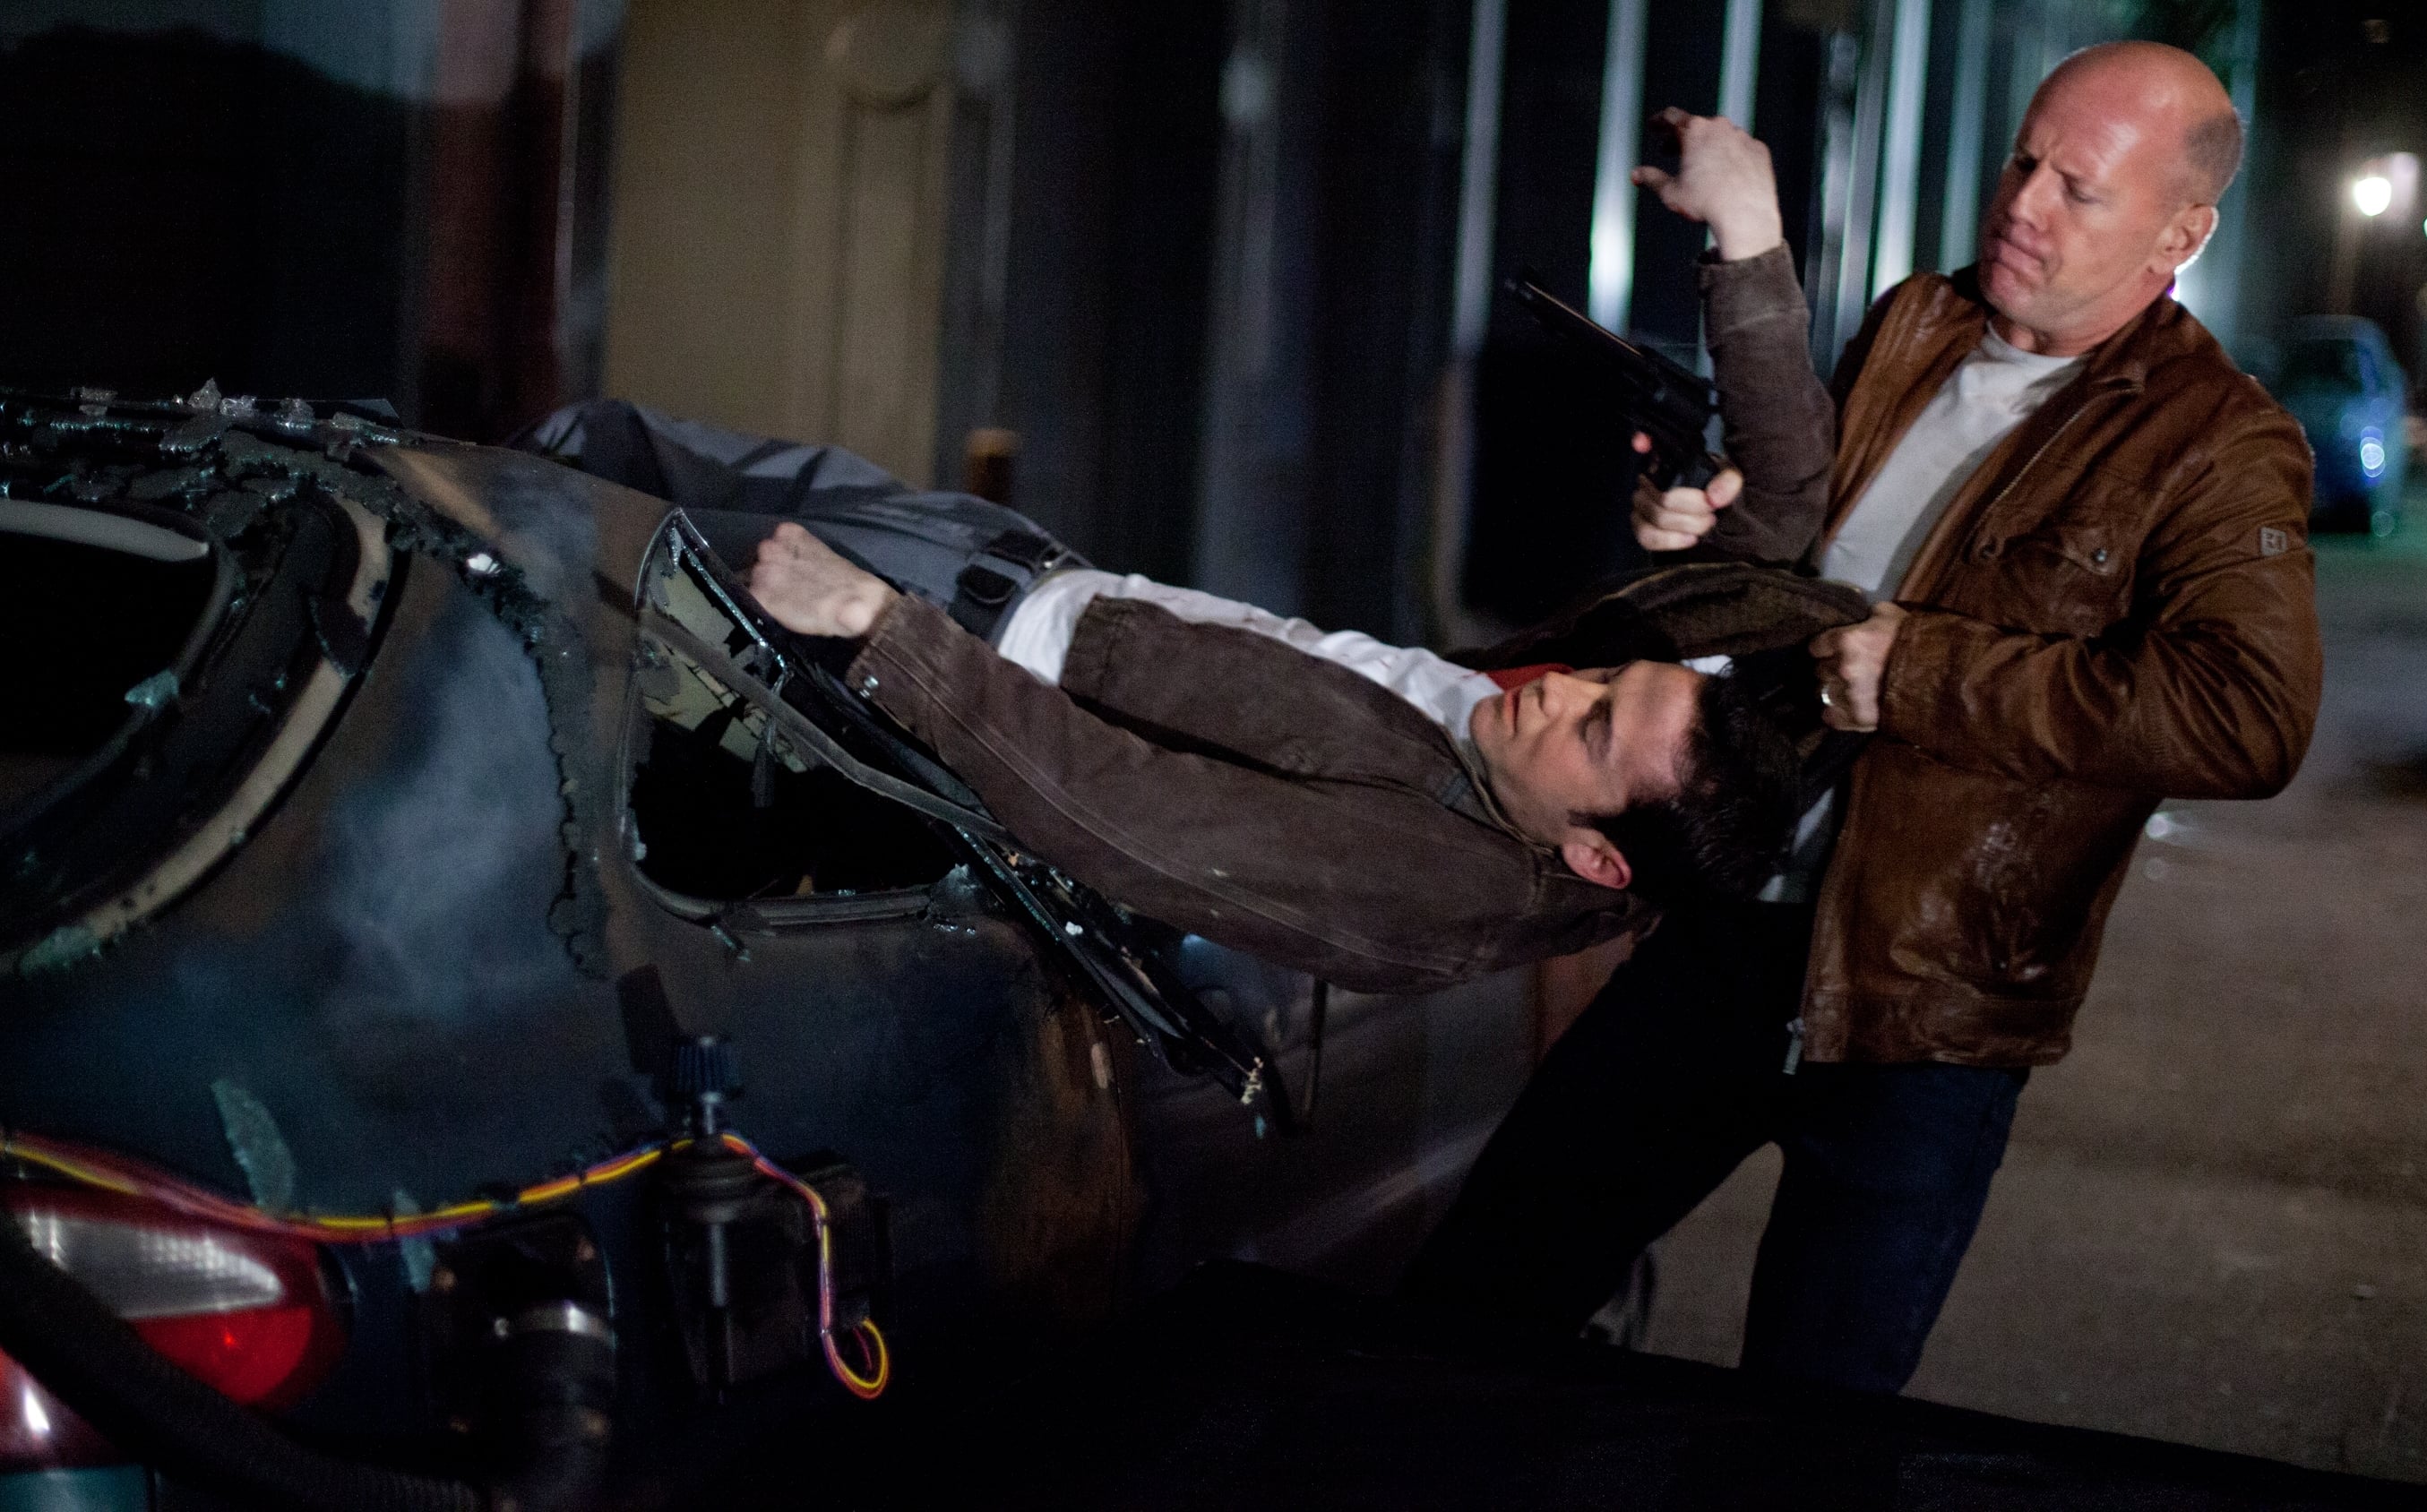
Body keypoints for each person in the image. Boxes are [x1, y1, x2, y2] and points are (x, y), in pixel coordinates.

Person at [1406, 42, 2322, 1393]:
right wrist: (1706, 527)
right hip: (1730, 929)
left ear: (2181, 236)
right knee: (1469, 1307)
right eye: (2023, 161)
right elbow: (1800, 550)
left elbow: (2250, 717)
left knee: (1808, 1426)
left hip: (1922, 1017)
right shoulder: (1920, 322)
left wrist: (1928, 674)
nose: (2022, 205)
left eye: (2078, 189)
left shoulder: (2217, 445)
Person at [533, 400, 1865, 997]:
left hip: (931, 628)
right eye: (1604, 678)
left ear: (1598, 858)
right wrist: (1744, 248)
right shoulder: (1534, 784)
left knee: (543, 540)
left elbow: (1131, 818)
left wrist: (886, 633)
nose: (1561, 688)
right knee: (597, 445)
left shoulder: (1440, 886)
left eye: (1593, 727)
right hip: (1008, 571)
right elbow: (1778, 565)